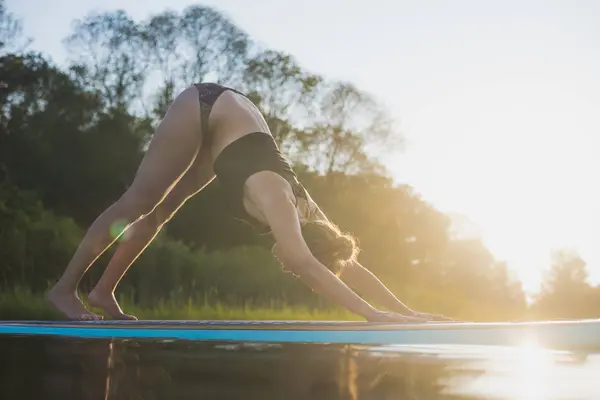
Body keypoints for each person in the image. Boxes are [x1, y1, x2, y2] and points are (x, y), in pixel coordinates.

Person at [47, 83, 452, 323]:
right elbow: (308, 263)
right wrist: (374, 316)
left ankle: (102, 293)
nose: (286, 267)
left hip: (232, 130)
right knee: (138, 201)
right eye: (294, 264)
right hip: (205, 108)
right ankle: (64, 289)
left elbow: (349, 265)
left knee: (160, 214)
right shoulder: (278, 199)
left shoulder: (312, 218)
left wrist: (407, 312)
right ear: (302, 243)